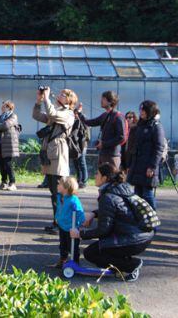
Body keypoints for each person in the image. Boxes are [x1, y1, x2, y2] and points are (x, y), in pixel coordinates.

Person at [71, 164, 154, 280]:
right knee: (101, 247)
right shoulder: (119, 189)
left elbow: (103, 230)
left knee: (91, 253)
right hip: (142, 235)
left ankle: (131, 266)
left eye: (97, 174)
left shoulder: (108, 197)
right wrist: (94, 213)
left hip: (133, 239)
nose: (95, 176)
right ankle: (123, 264)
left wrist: (80, 234)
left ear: (104, 178)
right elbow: (117, 210)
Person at [33, 87, 76, 233]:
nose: (60, 95)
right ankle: (56, 221)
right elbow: (36, 115)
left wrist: (46, 98)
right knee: (53, 192)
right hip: (49, 154)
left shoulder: (68, 113)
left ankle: (62, 223)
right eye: (60, 93)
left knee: (60, 192)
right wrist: (39, 101)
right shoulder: (57, 111)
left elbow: (52, 113)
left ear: (70, 100)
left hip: (59, 156)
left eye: (64, 94)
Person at [126, 100, 165, 210]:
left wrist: (152, 166)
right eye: (141, 109)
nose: (141, 112)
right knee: (137, 195)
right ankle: (141, 221)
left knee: (147, 194)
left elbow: (159, 148)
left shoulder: (156, 126)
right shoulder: (140, 125)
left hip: (148, 166)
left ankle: (152, 222)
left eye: (144, 110)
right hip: (137, 165)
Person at [81, 91, 127, 169]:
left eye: (103, 99)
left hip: (112, 155)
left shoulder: (118, 117)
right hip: (103, 154)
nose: (101, 101)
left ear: (110, 101)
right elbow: (90, 122)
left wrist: (104, 144)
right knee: (101, 179)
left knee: (112, 179)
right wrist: (79, 114)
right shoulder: (105, 115)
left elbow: (121, 137)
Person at [54, 176, 85, 268]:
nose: (57, 185)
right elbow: (59, 209)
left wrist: (80, 222)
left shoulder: (73, 199)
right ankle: (63, 259)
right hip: (62, 225)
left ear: (66, 188)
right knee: (62, 244)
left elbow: (79, 211)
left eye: (60, 184)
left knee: (73, 246)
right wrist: (56, 217)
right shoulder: (60, 197)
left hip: (71, 228)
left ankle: (75, 262)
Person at [0, 100, 20, 191]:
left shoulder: (13, 116)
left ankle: (12, 183)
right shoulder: (1, 116)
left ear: (9, 107)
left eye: (4, 106)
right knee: (1, 164)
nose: (2, 107)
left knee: (8, 164)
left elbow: (5, 125)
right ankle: (3, 182)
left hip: (8, 145)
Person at [71, 105, 90, 188]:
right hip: (75, 145)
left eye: (76, 114)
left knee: (82, 162)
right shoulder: (73, 122)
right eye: (74, 114)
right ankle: (79, 179)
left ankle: (84, 180)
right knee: (76, 163)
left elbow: (87, 136)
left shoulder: (83, 122)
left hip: (82, 145)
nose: (75, 115)